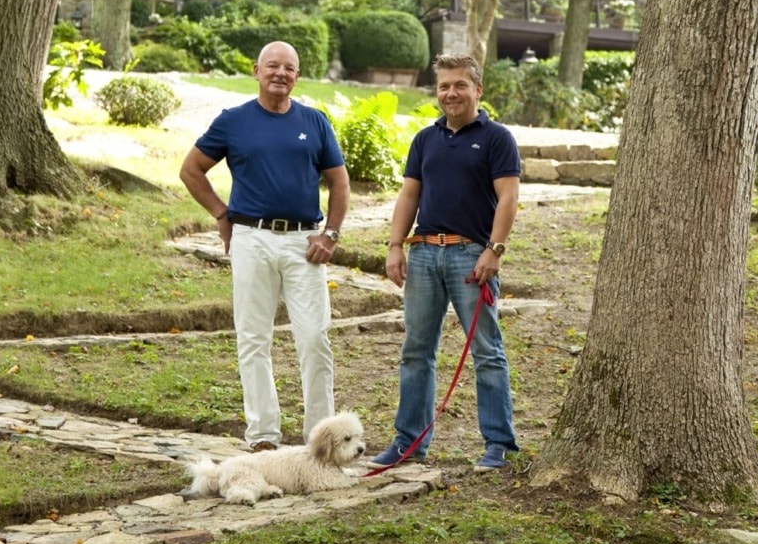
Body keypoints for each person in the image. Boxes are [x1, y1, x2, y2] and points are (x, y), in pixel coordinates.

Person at [179, 40, 350, 451]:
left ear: (297, 75)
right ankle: (262, 435)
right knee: (254, 337)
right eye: (272, 66)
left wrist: (331, 234)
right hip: (251, 238)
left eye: (289, 68)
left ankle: (321, 439)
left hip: (303, 241)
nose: (281, 74)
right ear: (257, 70)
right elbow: (191, 170)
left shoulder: (315, 120)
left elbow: (339, 182)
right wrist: (223, 215)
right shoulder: (233, 121)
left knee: (314, 338)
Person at [370, 52, 520, 472]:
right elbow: (409, 196)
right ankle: (409, 442)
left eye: (459, 85)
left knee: (487, 351)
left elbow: (508, 197)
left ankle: (499, 444)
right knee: (416, 350)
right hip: (423, 255)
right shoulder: (425, 139)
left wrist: (495, 249)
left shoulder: (496, 138)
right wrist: (395, 245)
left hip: (471, 257)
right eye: (444, 86)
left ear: (477, 89)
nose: (450, 93)